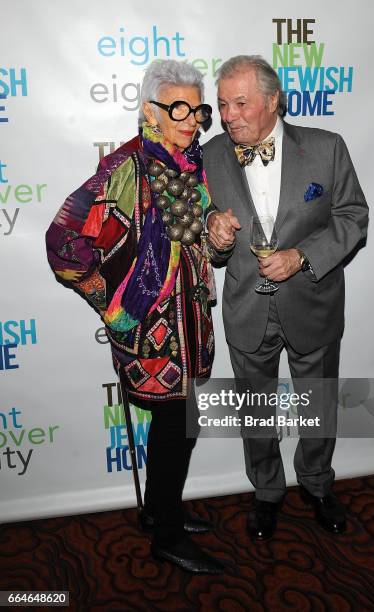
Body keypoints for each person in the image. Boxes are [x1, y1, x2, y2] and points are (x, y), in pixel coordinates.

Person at [46, 59, 224, 574]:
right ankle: (166, 535)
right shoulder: (127, 169)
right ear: (150, 110)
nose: (193, 120)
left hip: (190, 326)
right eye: (180, 108)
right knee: (174, 424)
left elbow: (192, 236)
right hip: (148, 331)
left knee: (178, 424)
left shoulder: (186, 164)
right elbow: (63, 240)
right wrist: (110, 304)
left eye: (198, 109)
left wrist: (215, 231)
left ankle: (158, 510)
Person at [204, 55, 369, 540]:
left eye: (240, 103)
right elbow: (207, 225)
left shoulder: (325, 148)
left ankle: (317, 484)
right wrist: (214, 233)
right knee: (255, 407)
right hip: (246, 306)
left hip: (312, 300)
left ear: (273, 101)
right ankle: (267, 491)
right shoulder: (210, 155)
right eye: (222, 105)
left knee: (317, 402)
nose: (228, 114)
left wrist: (302, 256)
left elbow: (353, 215)